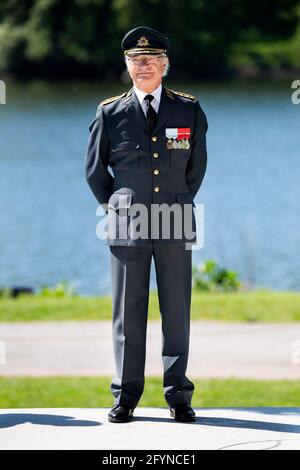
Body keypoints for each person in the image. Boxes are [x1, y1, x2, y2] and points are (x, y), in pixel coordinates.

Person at [84, 26, 208, 423]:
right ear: (127, 66)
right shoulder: (110, 113)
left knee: (176, 311)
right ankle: (126, 396)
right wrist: (119, 206)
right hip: (126, 223)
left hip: (174, 219)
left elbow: (196, 168)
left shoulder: (188, 109)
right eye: (136, 61)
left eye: (152, 59)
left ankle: (178, 395)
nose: (144, 66)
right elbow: (94, 172)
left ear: (165, 65)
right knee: (128, 310)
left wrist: (174, 199)